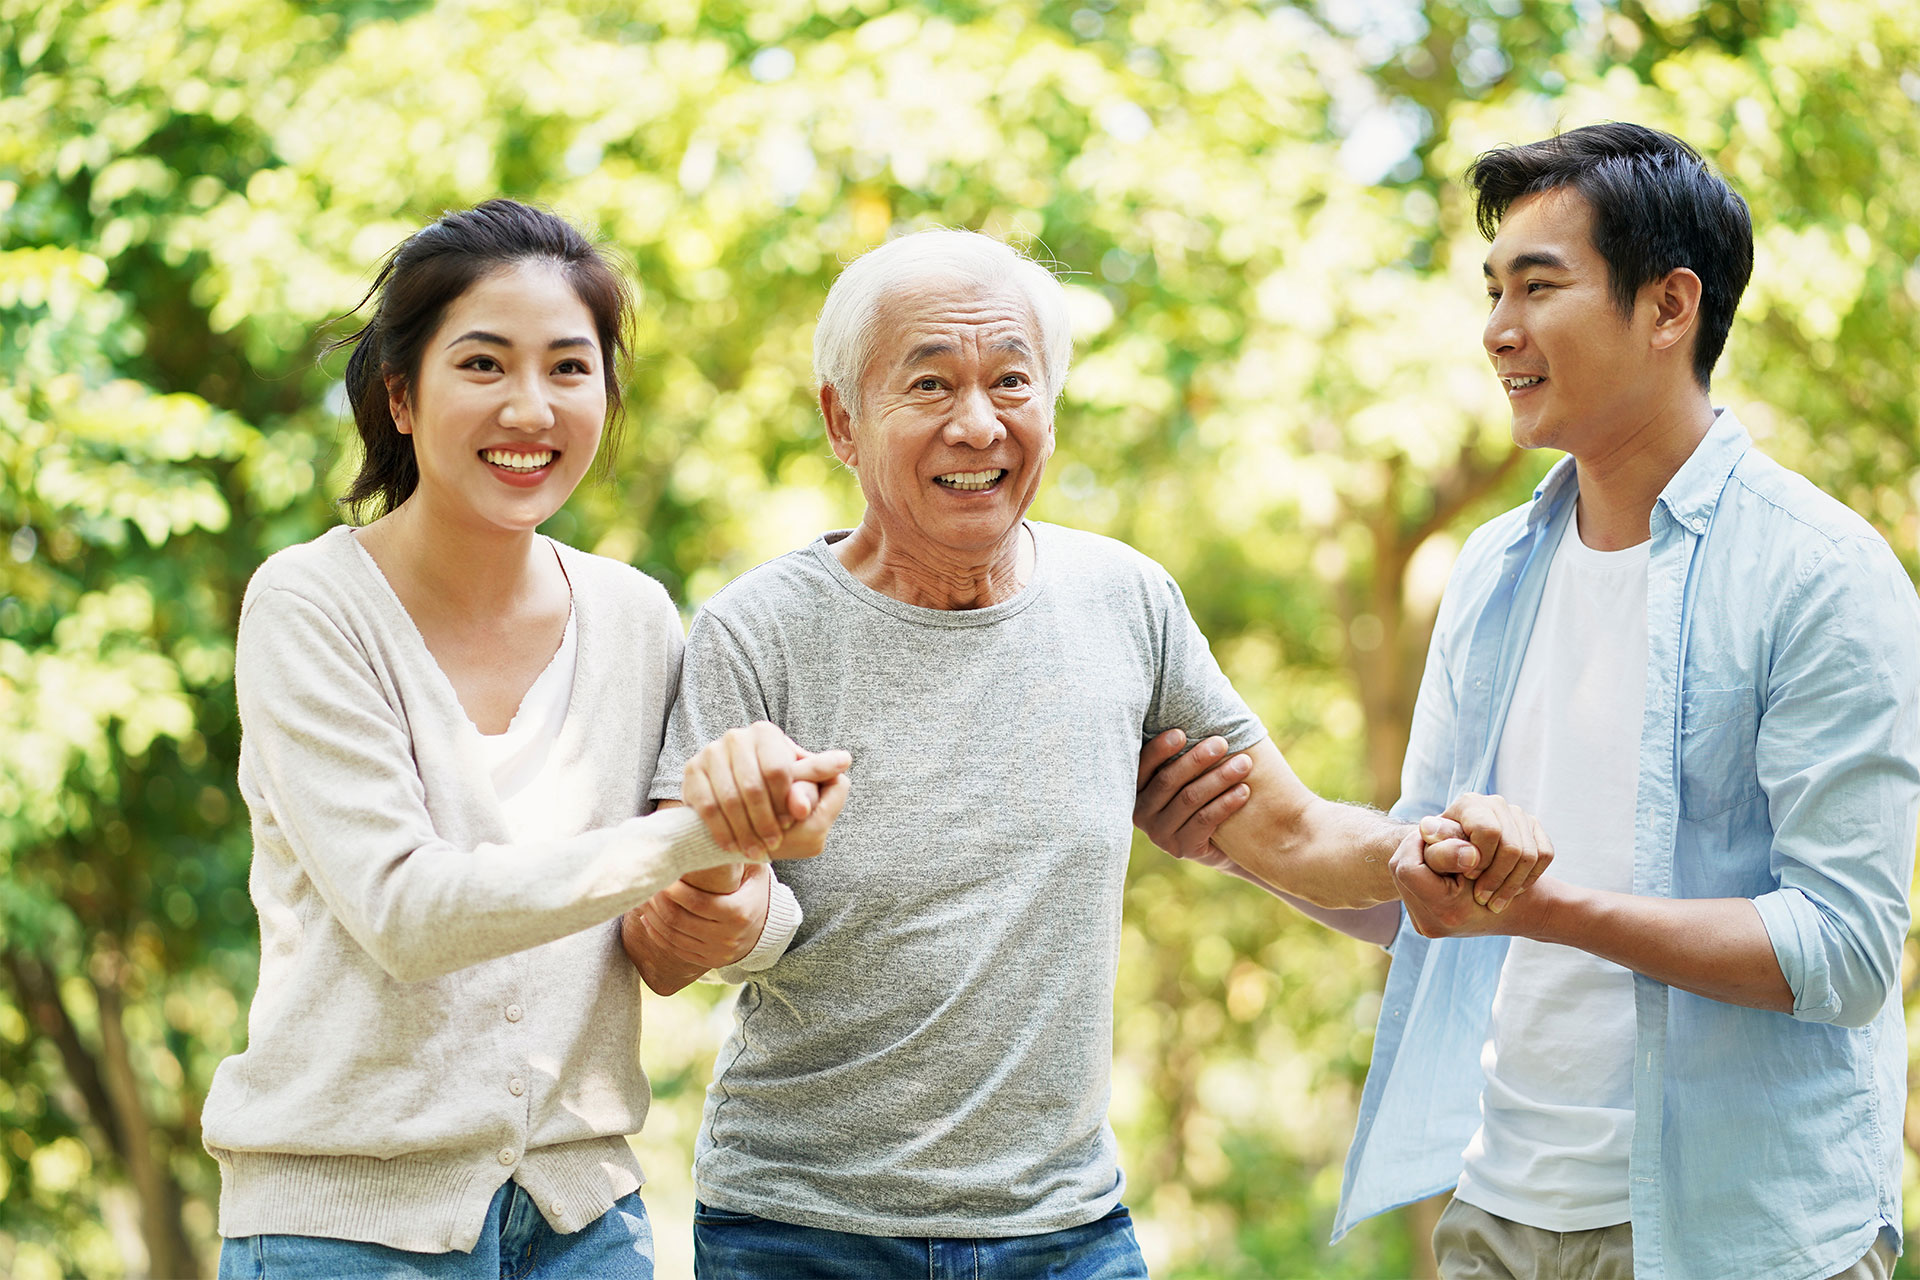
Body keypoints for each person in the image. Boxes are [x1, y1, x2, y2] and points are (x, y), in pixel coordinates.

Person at [622, 228, 1542, 1277]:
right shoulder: (758, 628)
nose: (979, 423)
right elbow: (660, 952)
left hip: (1066, 1230)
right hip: (800, 1230)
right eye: (930, 384)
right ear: (843, 419)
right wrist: (723, 859)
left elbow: (1289, 829)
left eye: (1012, 380)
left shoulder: (1125, 601)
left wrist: (1437, 844)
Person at [199, 199, 850, 1279]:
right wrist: (693, 837)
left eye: (568, 367)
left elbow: (710, 919)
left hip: (583, 1220)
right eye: (486, 365)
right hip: (341, 1230)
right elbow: (406, 911)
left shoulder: (636, 617)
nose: (531, 407)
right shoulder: (310, 604)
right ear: (401, 395)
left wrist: (749, 855)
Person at [1329, 124, 1919, 1280]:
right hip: (1496, 1215)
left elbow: (1846, 948)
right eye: (1492, 289)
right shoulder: (1491, 571)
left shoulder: (1819, 572)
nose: (1497, 328)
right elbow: (1424, 898)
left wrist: (1549, 909)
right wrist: (1235, 832)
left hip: (1735, 1236)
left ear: (1668, 307)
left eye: (1538, 287)